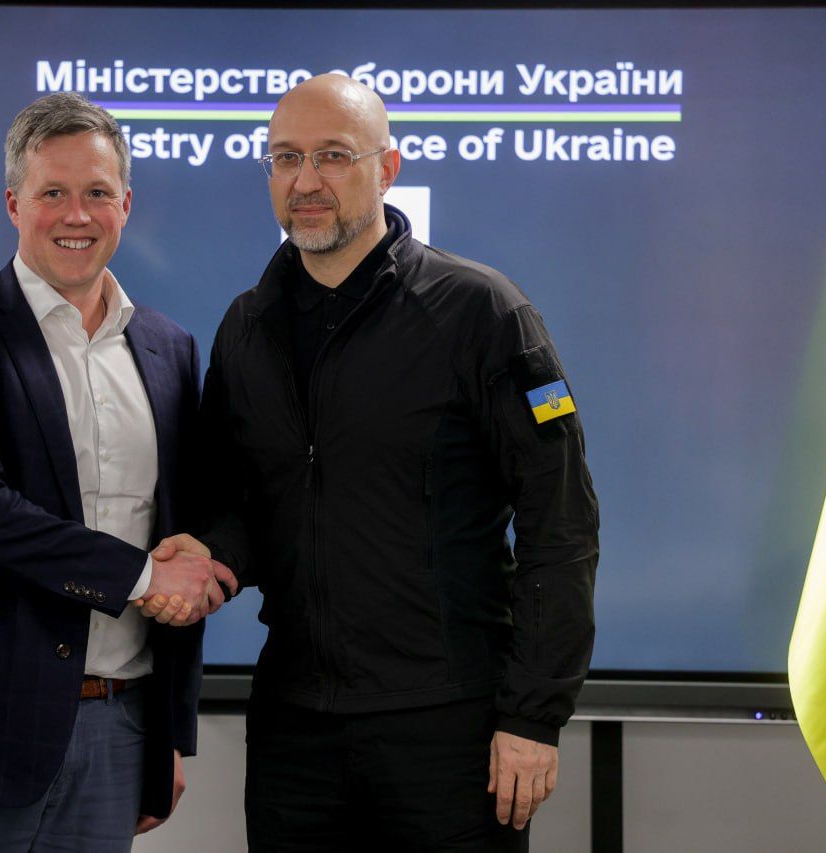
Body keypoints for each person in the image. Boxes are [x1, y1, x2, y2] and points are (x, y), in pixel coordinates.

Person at [151, 74, 600, 851]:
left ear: (387, 168)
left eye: (333, 155)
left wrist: (532, 713)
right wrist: (212, 551)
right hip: (295, 729)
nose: (306, 180)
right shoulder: (247, 327)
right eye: (285, 158)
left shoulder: (483, 313)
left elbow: (561, 525)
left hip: (449, 729)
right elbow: (239, 503)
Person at [0, 92, 234, 851]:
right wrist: (140, 577)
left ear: (126, 204)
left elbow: (181, 518)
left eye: (97, 192)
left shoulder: (169, 346)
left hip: (118, 730)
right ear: (12, 203)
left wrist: (166, 727)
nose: (77, 214)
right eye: (52, 192)